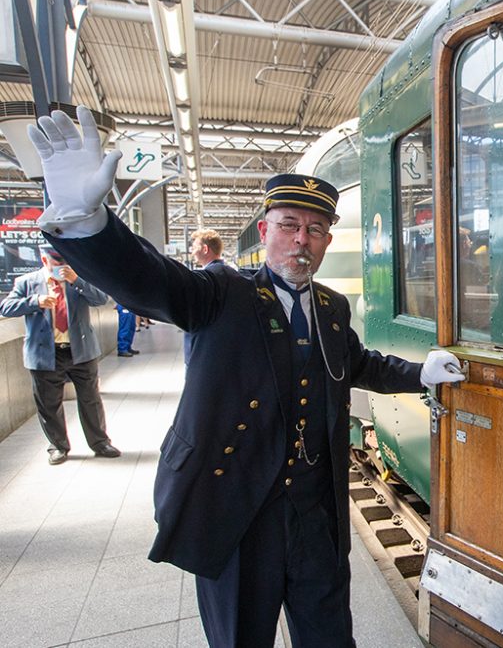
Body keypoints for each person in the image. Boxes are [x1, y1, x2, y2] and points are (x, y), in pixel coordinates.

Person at [28, 105, 465, 646]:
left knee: (329, 636)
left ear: (327, 240)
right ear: (265, 231)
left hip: (316, 514)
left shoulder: (331, 307)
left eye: (314, 229)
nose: (300, 240)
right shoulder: (222, 293)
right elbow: (152, 282)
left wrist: (421, 371)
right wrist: (88, 227)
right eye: (288, 226)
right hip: (236, 509)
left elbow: (356, 364)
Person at [0, 245, 121, 464]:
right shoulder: (27, 282)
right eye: (57, 264)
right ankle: (58, 445)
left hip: (81, 351)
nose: (62, 268)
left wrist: (77, 280)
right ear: (45, 261)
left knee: (90, 398)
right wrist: (34, 302)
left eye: (65, 263)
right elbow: (6, 308)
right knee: (48, 403)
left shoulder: (78, 279)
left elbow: (101, 299)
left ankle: (100, 442)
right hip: (45, 353)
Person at [185, 228, 233, 364]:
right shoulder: (232, 276)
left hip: (204, 353)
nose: (192, 252)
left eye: (194, 247)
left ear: (205, 249)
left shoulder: (203, 281)